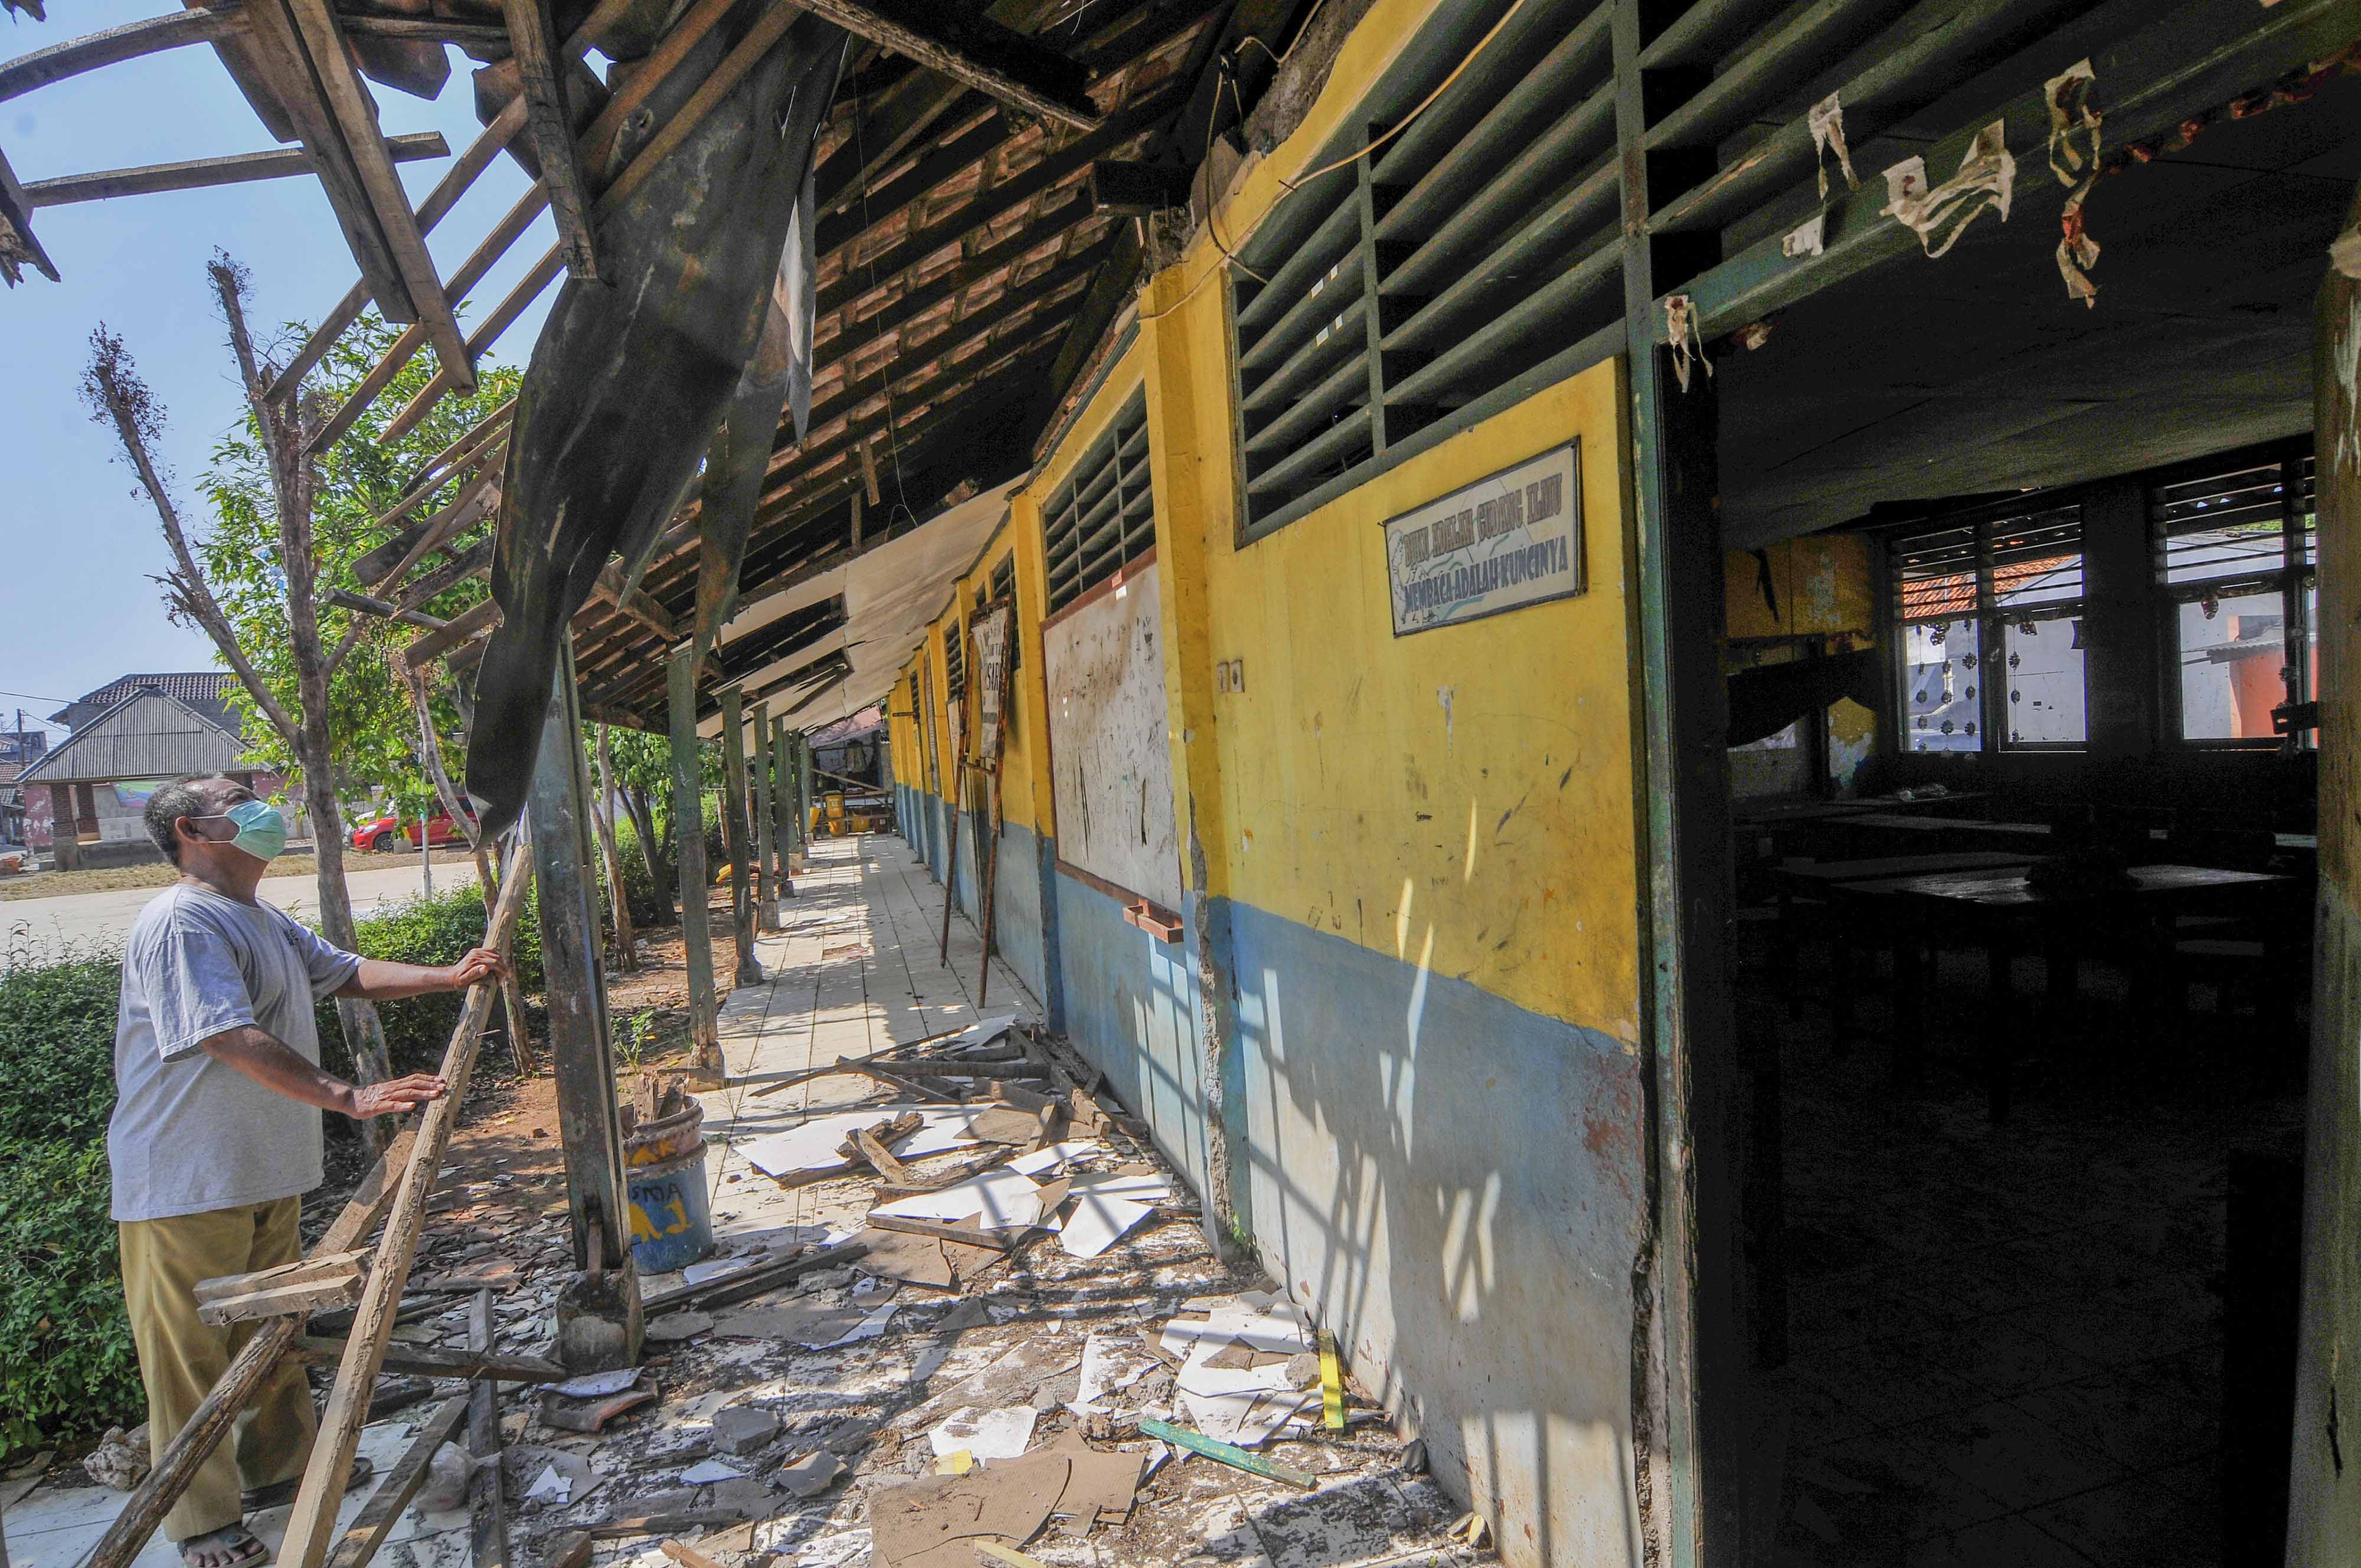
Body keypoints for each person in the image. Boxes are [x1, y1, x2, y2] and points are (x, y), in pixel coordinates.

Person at [110, 774, 507, 1568]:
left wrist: (447, 975)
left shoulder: (257, 916)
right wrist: (347, 1094)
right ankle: (202, 1522)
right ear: (196, 828)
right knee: (190, 1351)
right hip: (187, 1178)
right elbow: (224, 1033)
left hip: (260, 1170)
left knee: (273, 1328)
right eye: (240, 798)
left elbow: (346, 970)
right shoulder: (182, 921)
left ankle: (285, 1470)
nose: (263, 807)